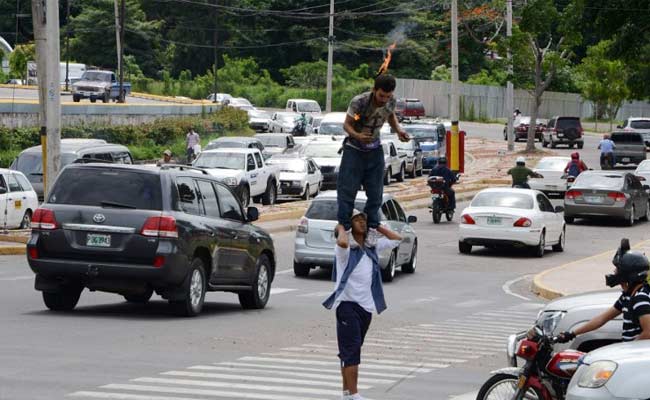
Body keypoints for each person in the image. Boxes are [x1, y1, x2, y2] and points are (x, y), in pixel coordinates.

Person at [323, 210, 402, 400]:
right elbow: (342, 242)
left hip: (366, 308)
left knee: (351, 352)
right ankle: (354, 394)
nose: (362, 223)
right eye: (357, 220)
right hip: (347, 306)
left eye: (364, 220)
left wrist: (377, 225)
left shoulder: (370, 247)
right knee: (352, 352)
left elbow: (397, 238)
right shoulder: (346, 250)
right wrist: (343, 226)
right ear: (350, 226)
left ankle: (346, 393)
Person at [336, 74, 410, 248]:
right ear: (374, 90)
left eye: (388, 96)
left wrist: (398, 130)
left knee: (376, 193)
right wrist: (358, 135)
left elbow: (390, 115)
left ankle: (372, 227)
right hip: (354, 150)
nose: (384, 100)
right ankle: (344, 228)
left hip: (374, 151)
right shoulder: (359, 103)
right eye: (381, 96)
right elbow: (347, 124)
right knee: (347, 191)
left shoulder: (391, 102)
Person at [558, 246, 650, 343]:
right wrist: (572, 334)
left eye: (618, 269)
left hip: (635, 355)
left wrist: (627, 348)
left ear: (628, 273)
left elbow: (648, 333)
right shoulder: (627, 296)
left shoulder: (640, 298)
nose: (614, 272)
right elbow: (601, 319)